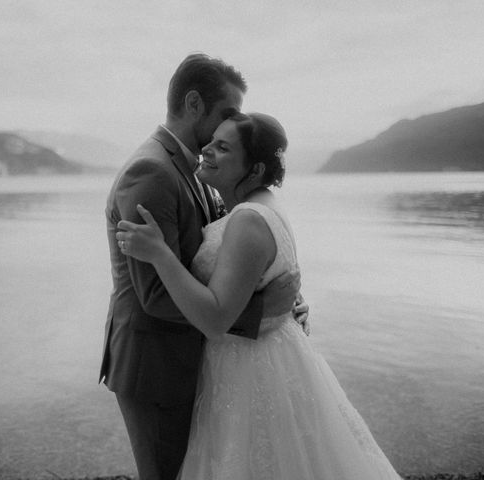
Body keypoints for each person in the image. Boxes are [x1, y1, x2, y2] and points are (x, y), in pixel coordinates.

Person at [117, 112, 403, 479]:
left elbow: (215, 319)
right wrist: (278, 309)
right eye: (212, 142)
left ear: (253, 171)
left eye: (223, 147)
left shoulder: (248, 218)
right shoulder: (261, 204)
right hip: (265, 357)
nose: (207, 150)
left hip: (248, 369)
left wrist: (159, 253)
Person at [99, 54, 307, 480]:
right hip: (153, 362)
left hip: (188, 355)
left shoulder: (194, 167)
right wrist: (263, 314)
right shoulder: (151, 171)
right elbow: (155, 295)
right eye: (226, 113)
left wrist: (277, 291)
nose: (228, 127)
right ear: (194, 103)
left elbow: (228, 249)